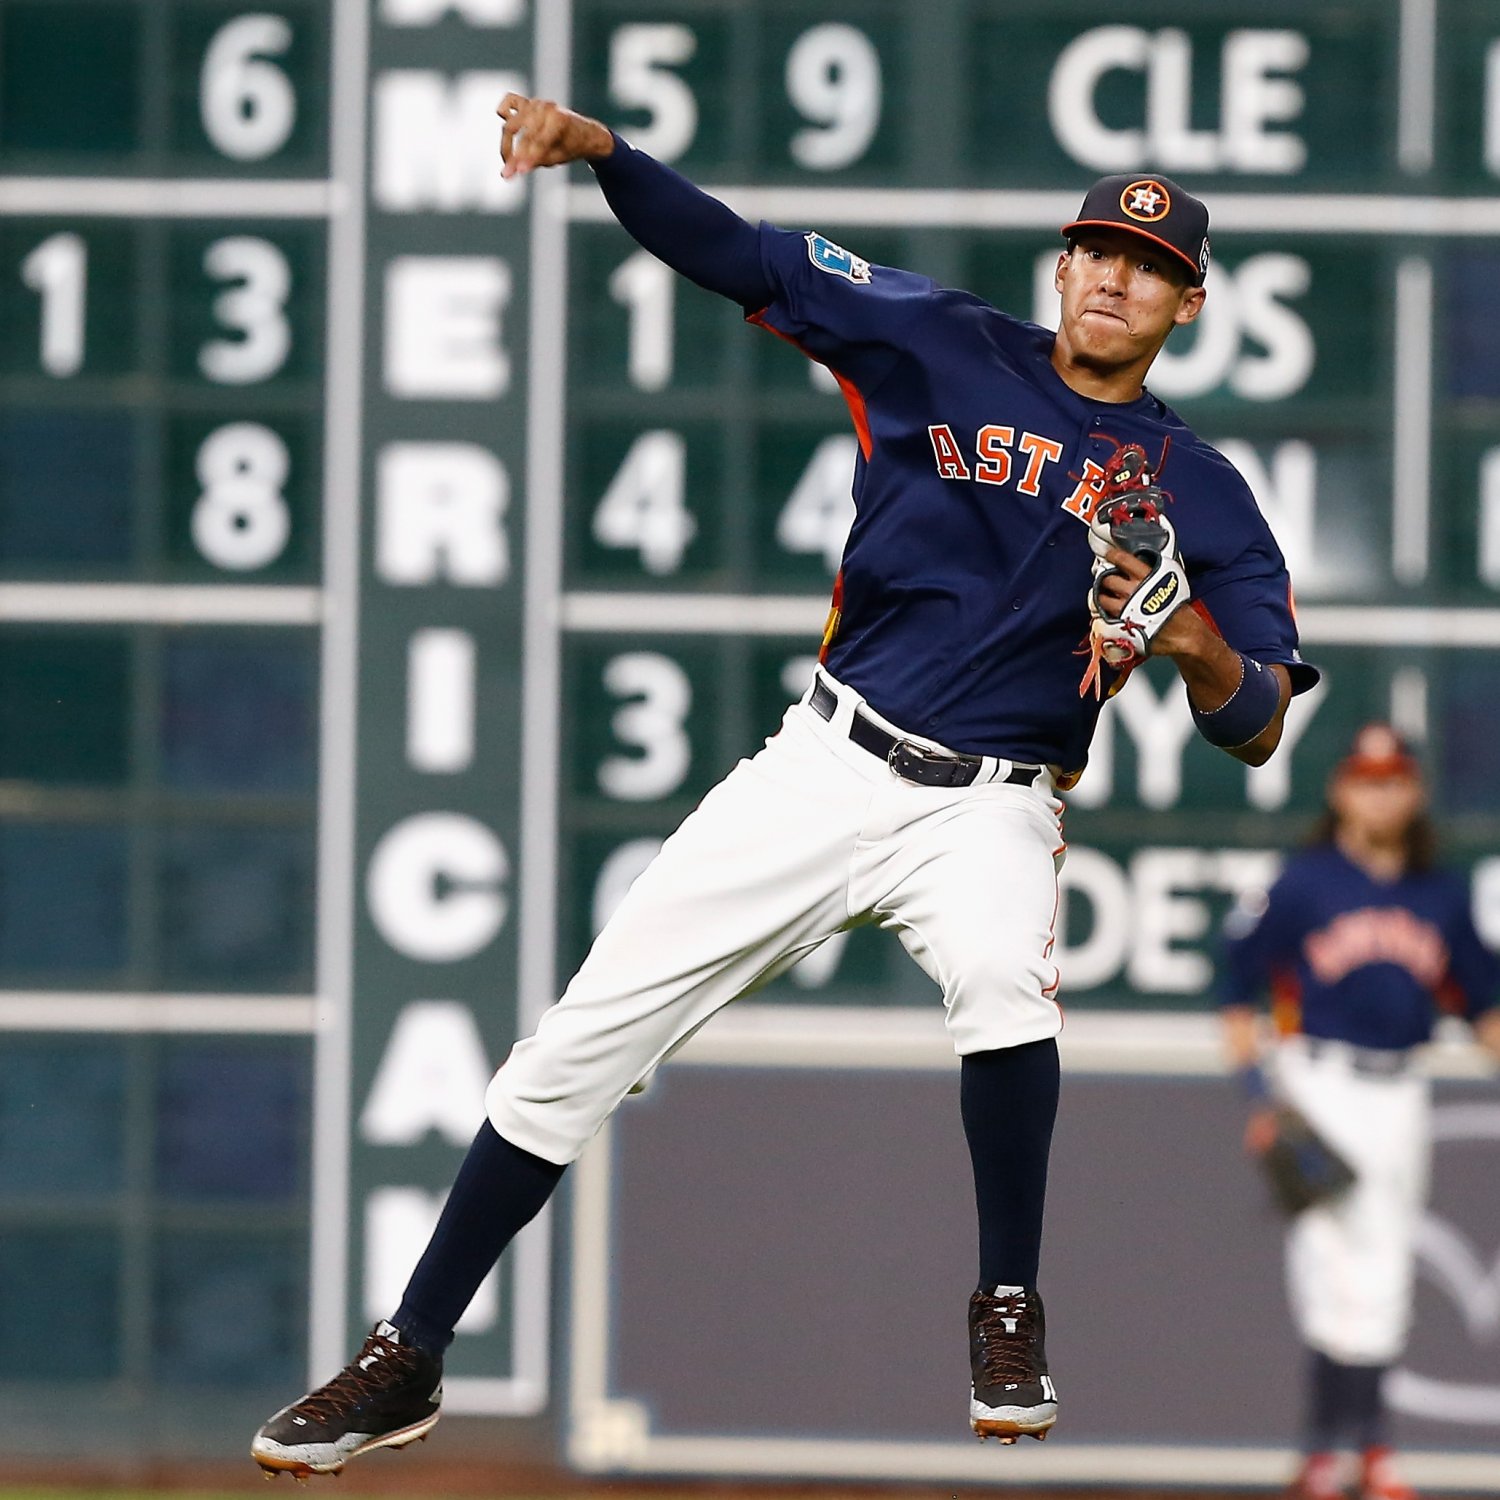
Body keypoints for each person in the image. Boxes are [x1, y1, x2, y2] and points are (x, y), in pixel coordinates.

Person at [251, 95, 1320, 1478]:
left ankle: (1007, 1303)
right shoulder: (943, 340)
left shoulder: (1204, 490)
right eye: (1100, 250)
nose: (1119, 276)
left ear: (1188, 305)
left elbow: (1256, 725)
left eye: (1154, 267)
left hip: (991, 801)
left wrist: (1190, 640)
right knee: (568, 1051)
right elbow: (746, 256)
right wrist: (610, 160)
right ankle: (408, 1356)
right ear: (1063, 267)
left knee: (1005, 983)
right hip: (826, 760)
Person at [1220, 724, 1500, 1500]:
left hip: (1400, 1088)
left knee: (1383, 1274)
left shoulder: (1440, 894)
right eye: (1369, 778)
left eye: (1396, 778)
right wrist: (1259, 1098)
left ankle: (1356, 1452)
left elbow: (1483, 1007)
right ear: (1342, 788)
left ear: (1414, 791)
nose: (1383, 792)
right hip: (1319, 1081)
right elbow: (1233, 991)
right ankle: (1336, 1452)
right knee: (1333, 1273)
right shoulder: (1306, 884)